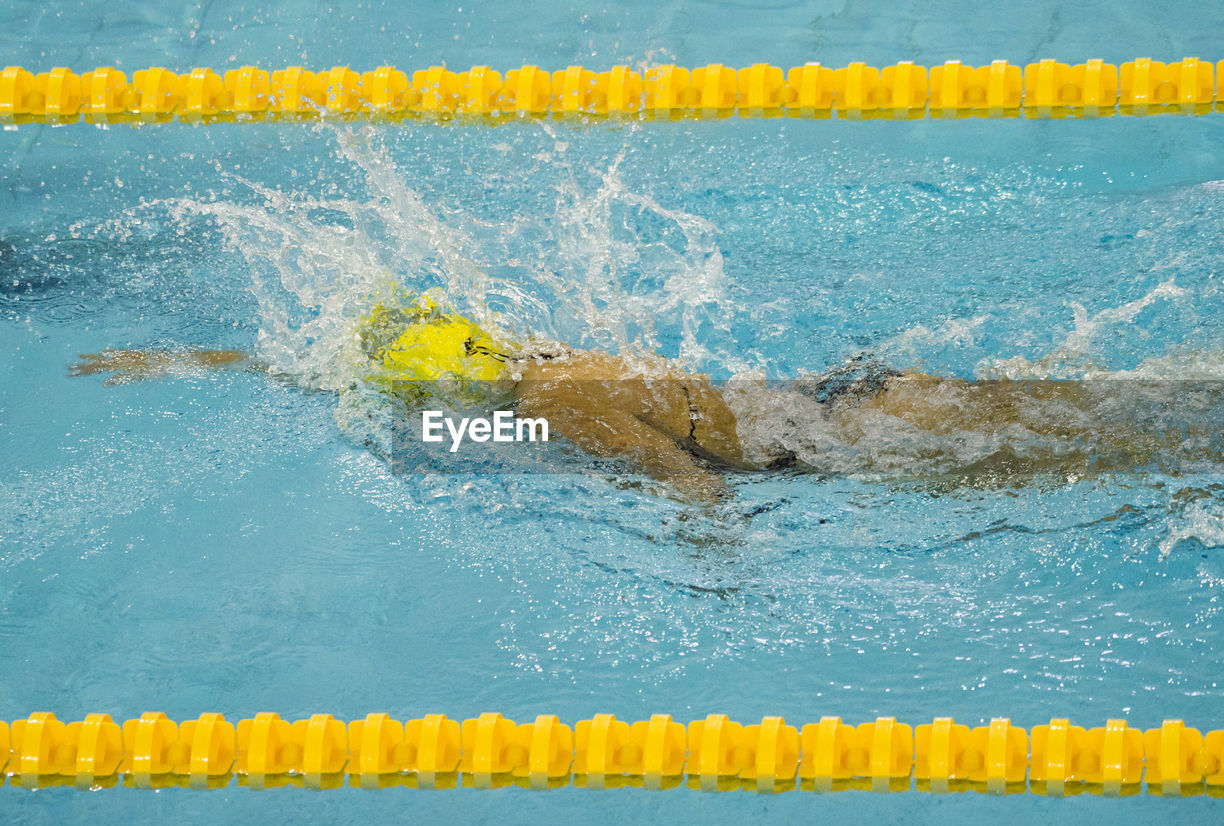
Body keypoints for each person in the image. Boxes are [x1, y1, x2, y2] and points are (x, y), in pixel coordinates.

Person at [71, 292, 1219, 503]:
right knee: (1101, 405)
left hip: (831, 444)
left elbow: (685, 484)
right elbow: (324, 365)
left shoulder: (563, 405)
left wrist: (716, 572)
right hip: (826, 399)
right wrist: (195, 362)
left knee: (1104, 453)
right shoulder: (529, 353)